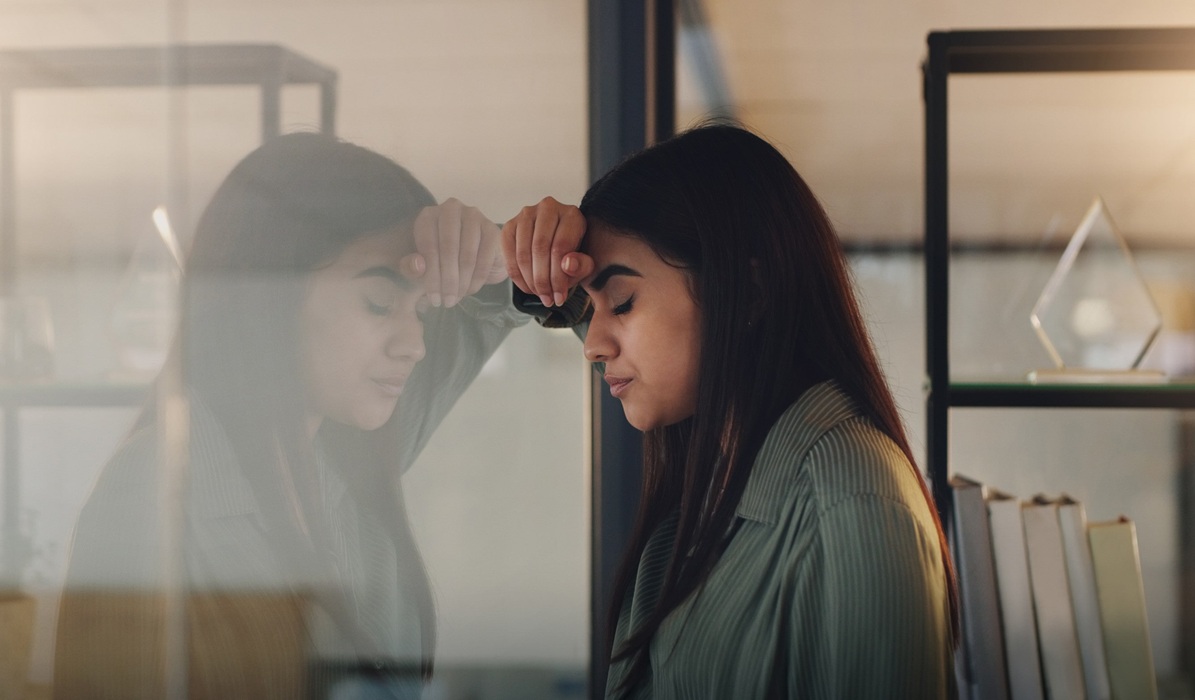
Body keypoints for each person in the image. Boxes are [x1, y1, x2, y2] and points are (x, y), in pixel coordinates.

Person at [54, 132, 523, 699]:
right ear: (266, 297)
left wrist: (490, 250)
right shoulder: (152, 493)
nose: (415, 345)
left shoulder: (347, 453)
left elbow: (509, 301)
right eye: (379, 303)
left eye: (421, 310)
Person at [502, 122, 958, 698]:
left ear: (747, 294)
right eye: (589, 309)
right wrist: (532, 258)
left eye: (621, 302)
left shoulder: (850, 501)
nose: (593, 342)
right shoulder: (726, 476)